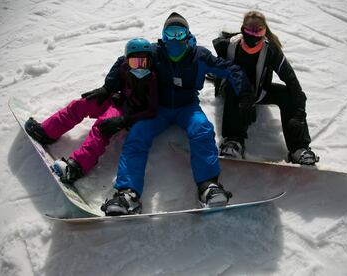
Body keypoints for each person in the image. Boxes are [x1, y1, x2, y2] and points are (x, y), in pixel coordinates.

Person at [100, 12, 255, 216]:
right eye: (169, 33)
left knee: (201, 129)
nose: (174, 39)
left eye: (179, 32)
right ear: (163, 36)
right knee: (137, 135)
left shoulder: (199, 56)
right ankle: (127, 194)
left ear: (187, 34)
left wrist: (244, 94)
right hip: (159, 108)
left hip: (187, 106)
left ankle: (208, 186)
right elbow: (125, 60)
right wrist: (107, 87)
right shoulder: (155, 53)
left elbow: (230, 69)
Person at [24, 38, 159, 184]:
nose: (139, 67)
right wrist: (106, 90)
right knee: (83, 104)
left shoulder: (152, 79)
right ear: (127, 61)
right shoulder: (123, 67)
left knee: (103, 126)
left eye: (144, 62)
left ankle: (78, 165)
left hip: (130, 114)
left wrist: (126, 120)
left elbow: (152, 110)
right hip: (118, 100)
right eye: (135, 62)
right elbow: (114, 80)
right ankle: (47, 132)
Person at [212, 10, 319, 165]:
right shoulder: (229, 46)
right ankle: (233, 141)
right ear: (243, 29)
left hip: (258, 92)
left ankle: (298, 148)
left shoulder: (270, 50)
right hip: (233, 92)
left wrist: (298, 108)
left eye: (258, 31)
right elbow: (216, 67)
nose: (253, 35)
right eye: (249, 30)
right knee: (233, 87)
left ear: (264, 31)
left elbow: (289, 77)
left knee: (288, 94)